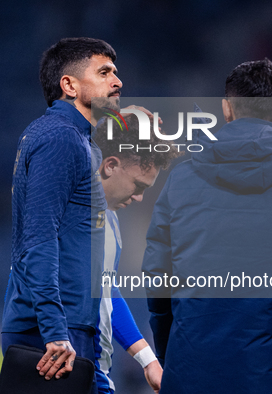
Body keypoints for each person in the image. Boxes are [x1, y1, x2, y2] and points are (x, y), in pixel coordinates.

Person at [143, 59, 272, 394]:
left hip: (191, 377)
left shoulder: (180, 178)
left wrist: (175, 360)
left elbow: (158, 284)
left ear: (226, 109)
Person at [1, 37, 120, 388]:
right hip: (51, 335)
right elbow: (38, 236)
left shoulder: (78, 140)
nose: (117, 81)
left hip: (71, 325)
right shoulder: (60, 138)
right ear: (68, 85)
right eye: (104, 72)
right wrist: (55, 329)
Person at [92, 114, 181, 393]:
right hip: (69, 365)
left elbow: (105, 290)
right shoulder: (73, 209)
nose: (140, 198)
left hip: (93, 368)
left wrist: (148, 360)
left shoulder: (110, 219)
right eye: (139, 186)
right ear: (111, 165)